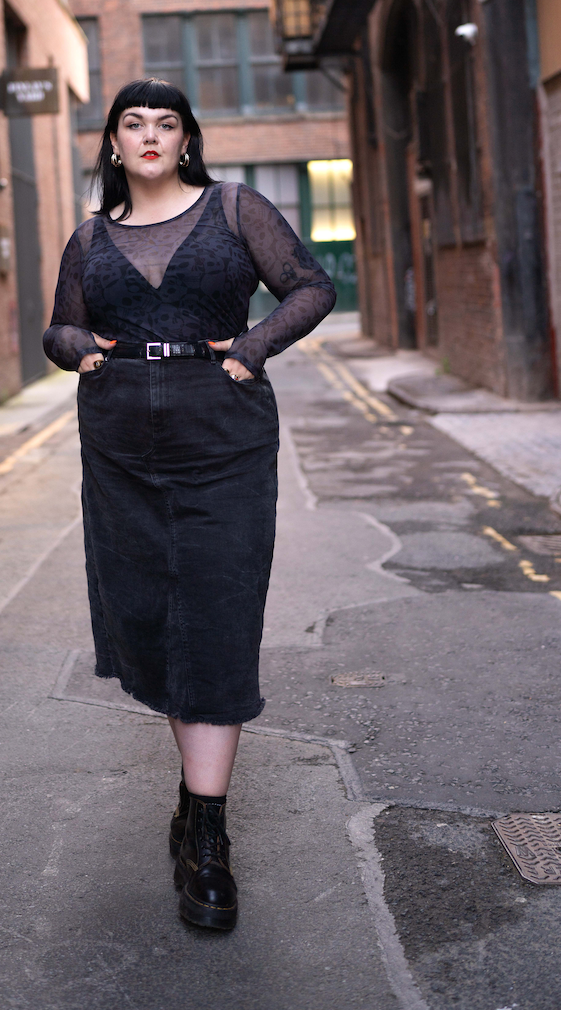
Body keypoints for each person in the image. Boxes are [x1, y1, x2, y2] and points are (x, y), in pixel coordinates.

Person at [43, 79, 336, 930]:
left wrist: (253, 346)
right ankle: (194, 793)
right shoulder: (89, 237)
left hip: (223, 435)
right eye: (132, 123)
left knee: (215, 616)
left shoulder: (236, 209)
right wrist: (77, 349)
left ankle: (207, 837)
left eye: (166, 124)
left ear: (185, 140)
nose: (149, 135)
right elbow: (59, 328)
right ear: (112, 142)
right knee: (150, 615)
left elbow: (311, 288)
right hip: (121, 446)